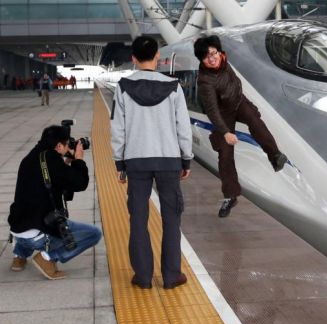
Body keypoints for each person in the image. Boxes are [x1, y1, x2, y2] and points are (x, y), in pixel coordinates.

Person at [111, 36, 193, 290]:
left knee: (138, 219)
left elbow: (117, 129)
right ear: (158, 57)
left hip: (136, 161)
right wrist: (186, 158)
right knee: (172, 219)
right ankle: (171, 276)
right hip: (169, 160)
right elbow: (183, 128)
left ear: (134, 58)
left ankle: (143, 277)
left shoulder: (123, 86)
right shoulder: (174, 87)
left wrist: (119, 162)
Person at [194, 36, 288, 217]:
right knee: (225, 154)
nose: (212, 58)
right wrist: (225, 132)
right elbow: (212, 111)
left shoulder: (224, 61)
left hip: (239, 102)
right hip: (222, 114)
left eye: (213, 53)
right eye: (206, 57)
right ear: (202, 60)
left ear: (219, 52)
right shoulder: (205, 81)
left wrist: (248, 106)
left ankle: (275, 156)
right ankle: (230, 196)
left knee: (256, 122)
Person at [8, 125, 102, 280]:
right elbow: (80, 183)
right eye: (66, 145)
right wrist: (78, 159)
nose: (68, 148)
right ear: (58, 145)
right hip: (37, 234)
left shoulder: (30, 157)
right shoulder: (52, 161)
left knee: (28, 210)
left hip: (17, 229)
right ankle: (47, 258)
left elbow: (51, 178)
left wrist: (65, 161)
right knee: (94, 234)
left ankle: (19, 256)